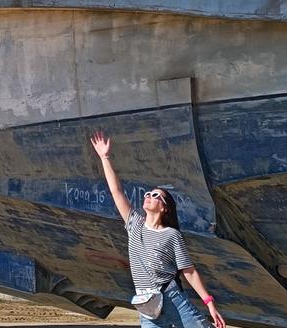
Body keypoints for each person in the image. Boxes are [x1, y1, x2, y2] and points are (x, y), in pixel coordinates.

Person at [90, 131, 227, 328]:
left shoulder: (171, 235)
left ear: (164, 207)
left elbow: (188, 271)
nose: (148, 195)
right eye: (148, 193)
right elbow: (116, 191)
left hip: (173, 300)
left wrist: (209, 303)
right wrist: (105, 157)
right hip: (146, 305)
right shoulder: (134, 224)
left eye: (155, 195)